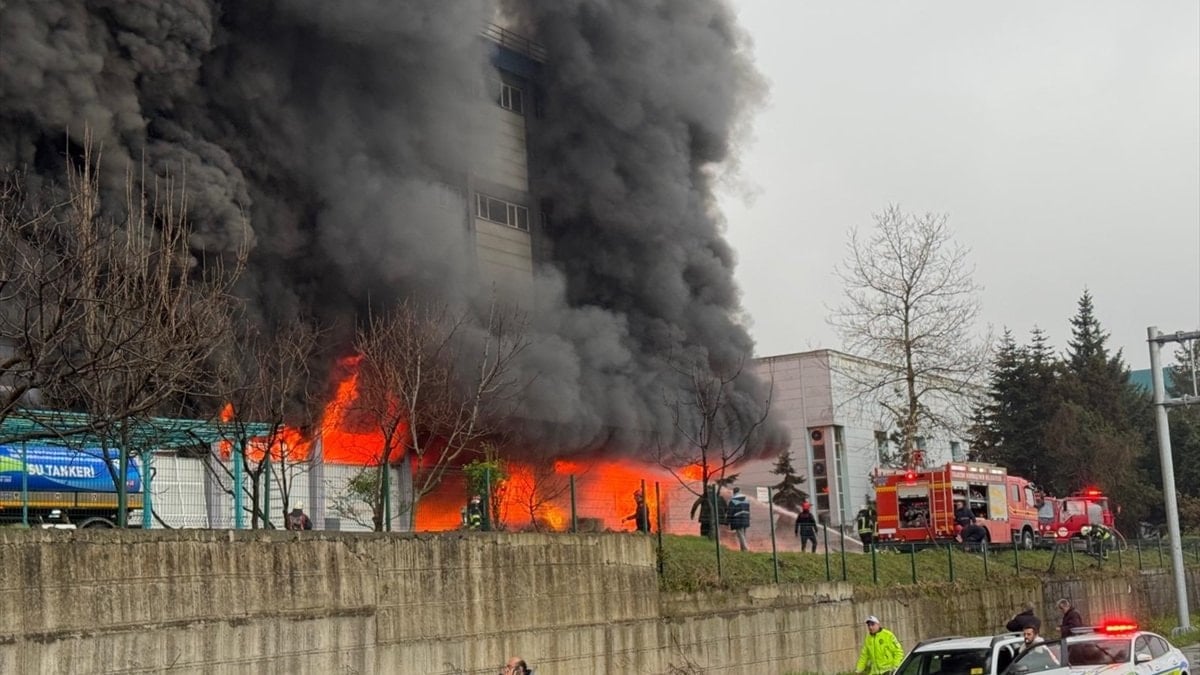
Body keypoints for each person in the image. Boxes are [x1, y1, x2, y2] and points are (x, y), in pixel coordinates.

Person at [727, 487, 751, 551]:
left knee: (740, 535)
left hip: (737, 520)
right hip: (745, 519)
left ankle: (745, 549)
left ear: (733, 492)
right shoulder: (746, 499)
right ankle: (742, 549)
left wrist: (728, 521)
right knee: (743, 535)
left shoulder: (733, 501)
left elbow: (730, 512)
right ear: (740, 491)